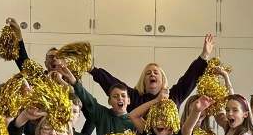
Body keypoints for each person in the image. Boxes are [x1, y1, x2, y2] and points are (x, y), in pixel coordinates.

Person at [88, 34, 216, 109]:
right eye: (148, 73)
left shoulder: (173, 95)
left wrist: (204, 55)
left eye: (155, 72)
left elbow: (189, 78)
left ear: (162, 79)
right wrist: (92, 70)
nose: (152, 74)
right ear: (143, 81)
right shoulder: (134, 97)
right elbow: (113, 84)